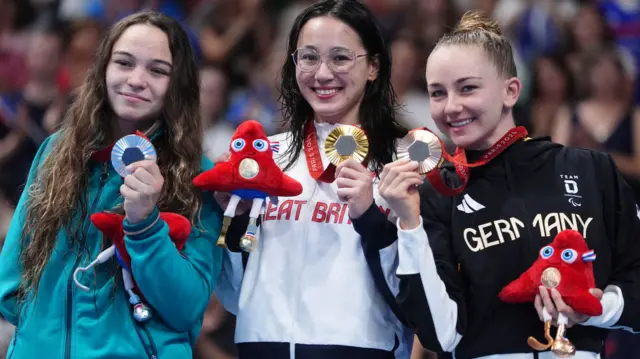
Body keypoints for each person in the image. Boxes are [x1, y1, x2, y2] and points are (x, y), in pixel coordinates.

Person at [354, 10, 640, 359]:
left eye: (468, 88)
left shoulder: (589, 170)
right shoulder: (434, 195)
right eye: (438, 93)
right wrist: (409, 224)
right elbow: (439, 334)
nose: (452, 106)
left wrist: (600, 307)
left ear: (511, 91)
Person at [0, 10, 223, 358]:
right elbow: (12, 275)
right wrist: (36, 330)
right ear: (103, 69)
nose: (136, 79)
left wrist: (146, 223)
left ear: (177, 84)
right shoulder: (56, 151)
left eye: (157, 70)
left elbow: (187, 307)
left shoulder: (197, 178)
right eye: (124, 63)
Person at [214, 1, 413, 358]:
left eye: (339, 58)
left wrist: (371, 218)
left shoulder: (401, 163)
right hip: (262, 346)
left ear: (373, 66)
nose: (322, 73)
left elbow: (413, 295)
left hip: (360, 349)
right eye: (308, 57)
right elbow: (234, 292)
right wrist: (236, 220)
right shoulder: (263, 158)